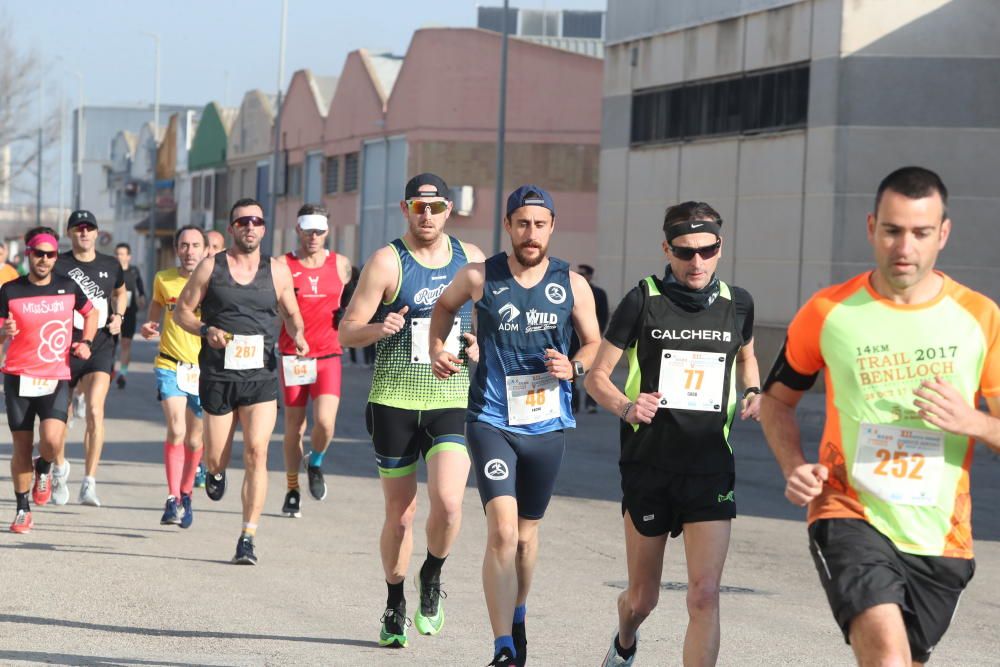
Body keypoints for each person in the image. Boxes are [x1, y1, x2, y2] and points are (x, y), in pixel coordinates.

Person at [759, 166, 1000, 666]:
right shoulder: (829, 312)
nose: (904, 247)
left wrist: (972, 421)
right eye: (892, 230)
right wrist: (792, 467)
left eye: (920, 233)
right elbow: (777, 400)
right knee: (887, 656)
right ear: (872, 227)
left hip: (941, 537)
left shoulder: (980, 318)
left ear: (944, 234)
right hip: (848, 512)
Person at [430, 184, 601, 666]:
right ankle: (503, 645)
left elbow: (592, 343)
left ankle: (518, 611)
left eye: (540, 224)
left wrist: (576, 368)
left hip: (546, 424)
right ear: (507, 225)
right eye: (522, 223)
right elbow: (443, 308)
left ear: (552, 228)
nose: (531, 233)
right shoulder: (480, 276)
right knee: (502, 532)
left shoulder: (572, 284)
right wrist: (437, 350)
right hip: (490, 418)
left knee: (526, 535)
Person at [584, 201, 761, 667]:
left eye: (707, 250)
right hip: (650, 465)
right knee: (643, 600)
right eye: (685, 252)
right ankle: (625, 640)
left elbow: (745, 356)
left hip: (709, 467)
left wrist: (754, 389)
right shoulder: (642, 299)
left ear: (721, 247)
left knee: (704, 596)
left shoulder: (737, 303)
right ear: (667, 248)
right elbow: (596, 376)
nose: (697, 262)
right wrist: (626, 405)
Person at [340, 173, 485, 647]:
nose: (427, 216)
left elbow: (488, 323)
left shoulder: (472, 260)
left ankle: (433, 574)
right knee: (400, 516)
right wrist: (380, 328)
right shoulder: (386, 261)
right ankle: (394, 599)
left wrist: (476, 343)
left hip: (451, 397)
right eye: (418, 208)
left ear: (449, 210)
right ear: (405, 209)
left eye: (436, 207)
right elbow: (347, 331)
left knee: (447, 503)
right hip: (395, 401)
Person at [174, 198, 306, 564]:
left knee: (257, 452)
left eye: (257, 221)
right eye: (243, 221)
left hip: (260, 377)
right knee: (217, 456)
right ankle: (214, 471)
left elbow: (292, 314)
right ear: (232, 228)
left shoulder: (278, 271)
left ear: (264, 228)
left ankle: (248, 536)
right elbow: (182, 313)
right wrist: (205, 329)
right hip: (218, 375)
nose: (250, 227)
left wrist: (298, 336)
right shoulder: (210, 267)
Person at [1, 230, 97, 532]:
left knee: (53, 442)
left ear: (56, 257)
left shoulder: (67, 287)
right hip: (18, 376)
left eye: (50, 254)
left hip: (54, 376)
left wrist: (87, 341)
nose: (44, 259)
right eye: (38, 253)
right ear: (28, 254)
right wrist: (5, 332)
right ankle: (22, 509)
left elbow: (90, 313)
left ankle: (43, 466)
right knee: (21, 446)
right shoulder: (9, 290)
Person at [276, 204, 351, 517]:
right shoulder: (283, 264)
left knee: (325, 422)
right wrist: (296, 335)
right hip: (294, 355)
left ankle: (316, 461)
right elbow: (279, 307)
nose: (313, 237)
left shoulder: (342, 264)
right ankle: (292, 488)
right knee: (294, 426)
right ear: (297, 230)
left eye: (319, 230)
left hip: (329, 354)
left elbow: (355, 301)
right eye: (307, 230)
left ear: (327, 230)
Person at [53, 210, 126, 507]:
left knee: (95, 409)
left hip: (100, 346)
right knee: (59, 416)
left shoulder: (111, 264)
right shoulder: (59, 264)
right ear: (70, 233)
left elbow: (121, 293)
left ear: (97, 233)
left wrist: (119, 315)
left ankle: (89, 483)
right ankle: (59, 469)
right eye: (78, 228)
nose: (84, 232)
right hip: (64, 346)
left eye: (89, 228)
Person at [140, 226, 208, 528]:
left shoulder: (215, 282)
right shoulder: (164, 279)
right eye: (184, 245)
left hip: (205, 368)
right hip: (170, 363)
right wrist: (150, 324)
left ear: (206, 249)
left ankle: (186, 493)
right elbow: (156, 305)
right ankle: (171, 498)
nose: (189, 250)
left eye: (195, 245)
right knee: (177, 430)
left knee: (195, 439)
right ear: (176, 248)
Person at [570, 263, 608, 414]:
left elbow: (604, 315)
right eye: (580, 273)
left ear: (591, 276)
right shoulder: (572, 290)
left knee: (591, 373)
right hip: (573, 340)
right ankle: (573, 402)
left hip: (593, 340)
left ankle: (591, 403)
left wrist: (598, 336)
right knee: (571, 371)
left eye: (584, 273)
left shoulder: (599, 293)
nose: (582, 276)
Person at [113, 243, 146, 389]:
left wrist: (142, 298)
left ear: (129, 256)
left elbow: (140, 289)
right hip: (112, 314)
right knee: (111, 345)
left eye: (122, 254)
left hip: (130, 312)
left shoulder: (134, 271)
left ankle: (123, 374)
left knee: (126, 343)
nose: (119, 256)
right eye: (117, 254)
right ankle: (109, 369)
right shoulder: (112, 271)